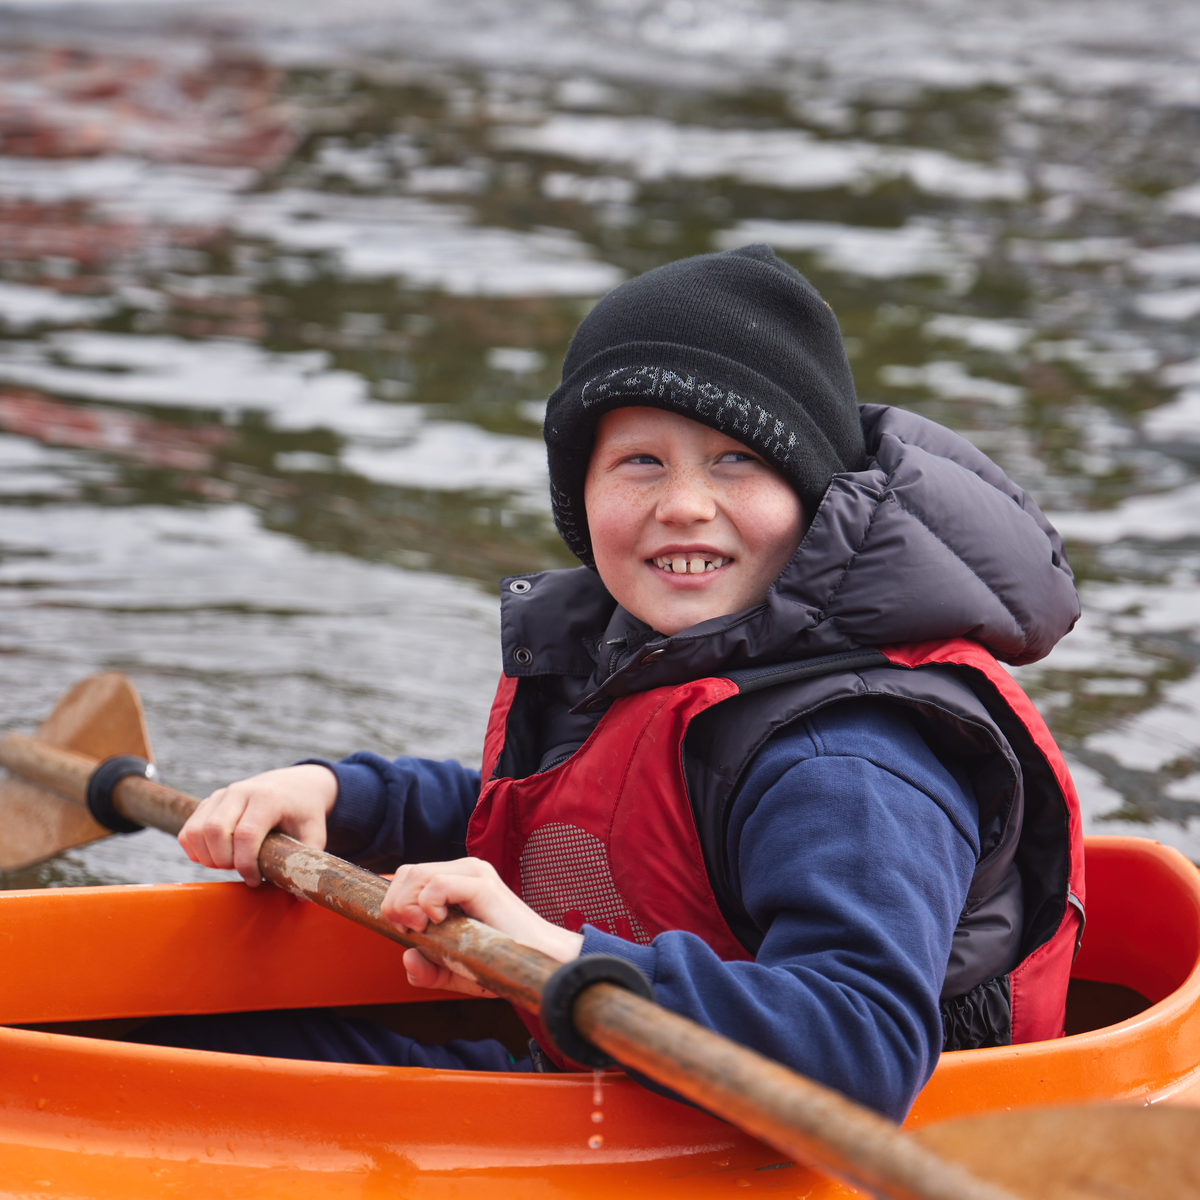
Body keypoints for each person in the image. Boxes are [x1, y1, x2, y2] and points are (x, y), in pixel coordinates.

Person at [167, 244, 1084, 1123]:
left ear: (814, 497)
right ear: (581, 496)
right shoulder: (652, 654)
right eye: (640, 461)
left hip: (762, 1150)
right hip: (624, 1090)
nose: (683, 504)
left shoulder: (845, 761)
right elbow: (566, 827)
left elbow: (860, 1053)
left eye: (738, 459)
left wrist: (551, 955)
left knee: (195, 1098)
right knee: (188, 1045)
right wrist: (341, 796)